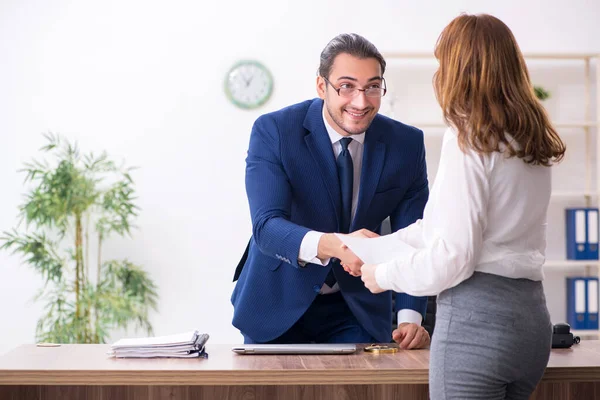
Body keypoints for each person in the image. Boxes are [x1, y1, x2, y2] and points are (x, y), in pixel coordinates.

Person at [343, 14, 566, 399]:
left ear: (459, 69)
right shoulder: (529, 140)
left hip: (478, 324)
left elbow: (455, 257)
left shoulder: (469, 137)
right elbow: (441, 227)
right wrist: (376, 248)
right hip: (531, 323)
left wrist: (383, 275)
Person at [231, 33, 431, 347]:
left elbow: (413, 235)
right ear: (322, 86)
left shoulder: (405, 144)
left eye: (373, 87)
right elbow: (266, 227)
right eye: (347, 86)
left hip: (358, 307)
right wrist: (339, 245)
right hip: (277, 298)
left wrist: (410, 318)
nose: (361, 101)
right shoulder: (275, 131)